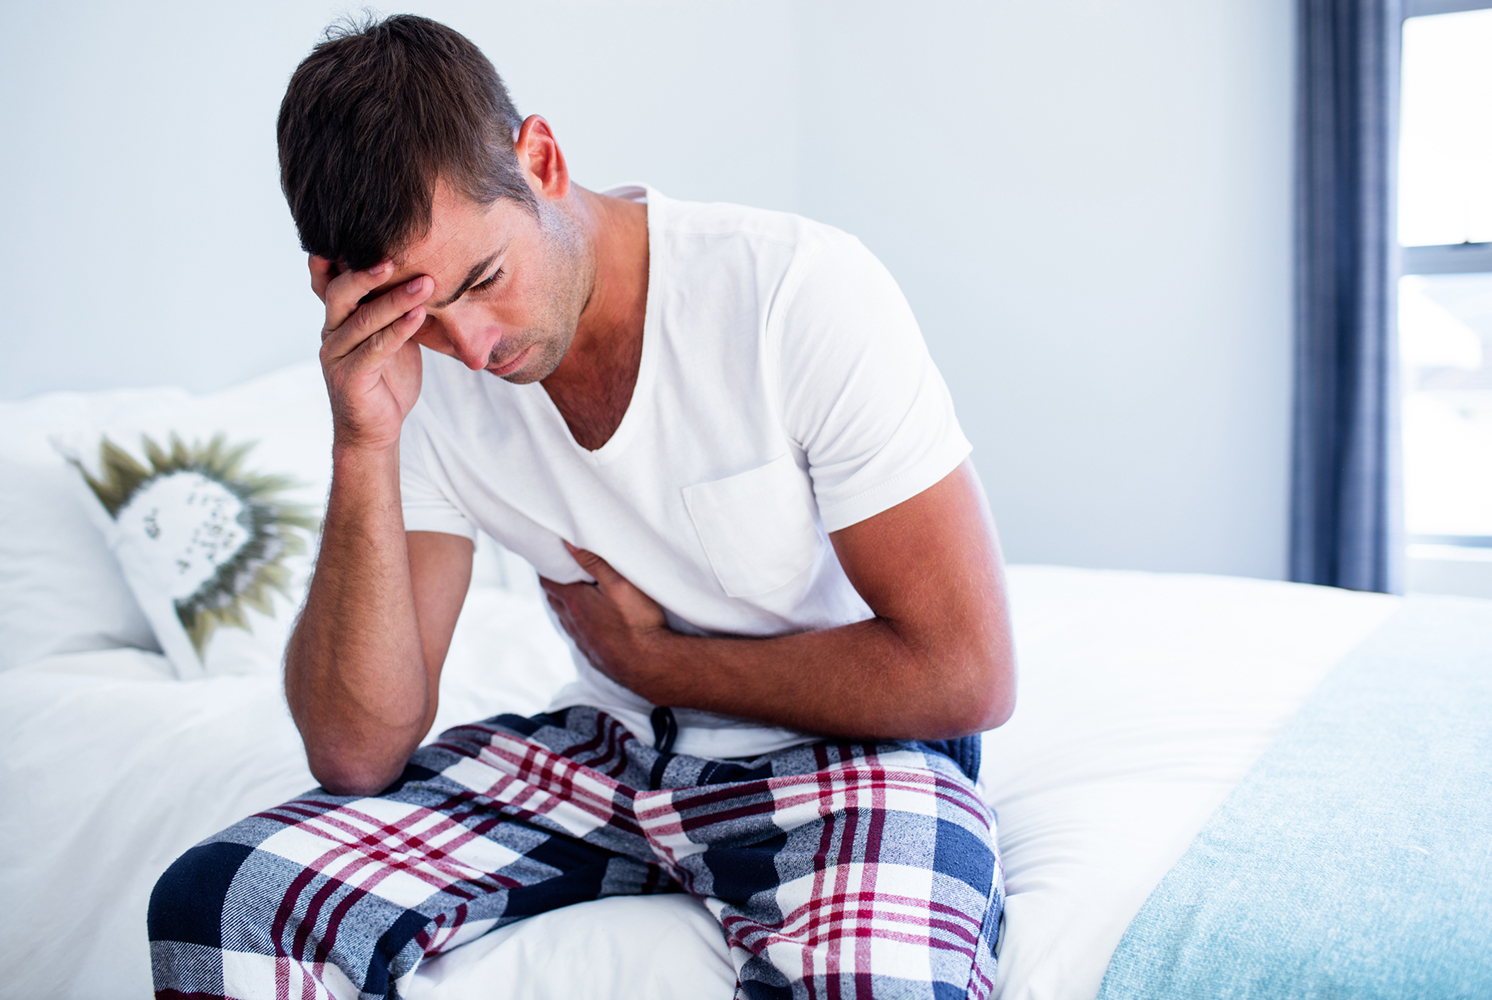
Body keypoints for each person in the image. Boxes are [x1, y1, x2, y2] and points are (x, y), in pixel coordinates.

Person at [147, 14, 1015, 1000]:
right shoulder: (411, 380)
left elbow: (967, 673)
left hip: (849, 758)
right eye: (422, 316)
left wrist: (654, 662)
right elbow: (356, 750)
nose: (472, 347)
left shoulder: (793, 295)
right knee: (225, 902)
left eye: (484, 280)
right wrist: (364, 443)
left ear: (543, 159)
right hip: (610, 754)